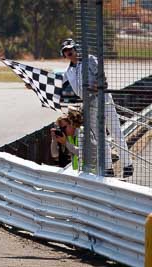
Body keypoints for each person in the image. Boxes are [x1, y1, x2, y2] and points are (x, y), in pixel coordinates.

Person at [60, 38, 133, 178]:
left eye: (71, 49)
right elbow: (55, 84)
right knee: (100, 138)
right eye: (66, 51)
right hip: (89, 105)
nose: (69, 52)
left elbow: (103, 80)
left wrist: (95, 87)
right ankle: (107, 168)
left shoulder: (90, 60)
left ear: (76, 49)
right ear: (64, 54)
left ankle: (127, 164)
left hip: (103, 99)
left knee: (115, 131)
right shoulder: (68, 72)